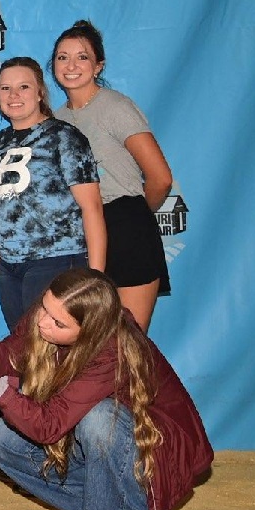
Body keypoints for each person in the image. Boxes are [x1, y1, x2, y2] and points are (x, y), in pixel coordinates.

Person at [0, 267, 212, 510]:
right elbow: (10, 362)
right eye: (44, 309)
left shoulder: (113, 349)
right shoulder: (54, 310)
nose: (43, 323)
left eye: (58, 323)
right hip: (98, 439)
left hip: (157, 451)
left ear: (89, 331)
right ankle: (101, 508)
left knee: (99, 420)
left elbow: (48, 426)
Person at [51, 20, 173, 329]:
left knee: (128, 343)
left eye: (82, 57)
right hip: (79, 235)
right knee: (89, 346)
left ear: (98, 66)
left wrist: (134, 218)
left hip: (126, 226)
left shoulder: (116, 107)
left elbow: (160, 178)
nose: (71, 65)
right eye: (62, 57)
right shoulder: (55, 120)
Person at [0, 56, 106, 332]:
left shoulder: (64, 137)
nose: (14, 95)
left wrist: (95, 278)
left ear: (40, 93)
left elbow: (92, 208)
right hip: (10, 266)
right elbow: (1, 201)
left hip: (56, 259)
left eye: (23, 87)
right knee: (24, 349)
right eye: (5, 88)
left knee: (50, 351)